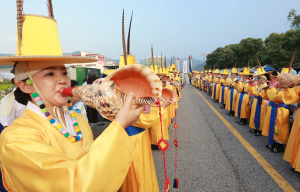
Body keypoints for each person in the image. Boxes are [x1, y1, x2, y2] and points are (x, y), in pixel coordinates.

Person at [0, 8, 144, 191]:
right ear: (25, 86)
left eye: (64, 72)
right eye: (49, 73)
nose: (63, 80)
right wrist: (119, 124)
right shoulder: (15, 139)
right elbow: (74, 185)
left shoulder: (80, 121)